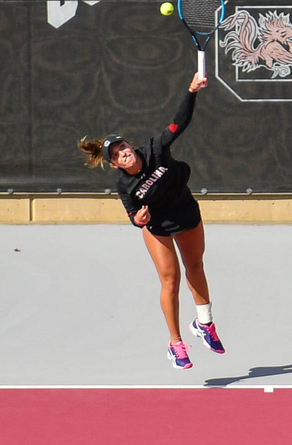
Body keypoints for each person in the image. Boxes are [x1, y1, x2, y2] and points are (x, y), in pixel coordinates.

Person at [78, 72, 223, 371]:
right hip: (158, 226)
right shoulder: (124, 185)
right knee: (170, 280)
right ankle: (175, 343)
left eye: (123, 146)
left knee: (195, 266)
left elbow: (179, 123)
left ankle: (204, 323)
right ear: (115, 164)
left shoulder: (157, 148)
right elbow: (132, 215)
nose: (123, 152)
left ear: (131, 145)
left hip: (185, 212)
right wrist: (138, 218)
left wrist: (192, 91)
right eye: (117, 154)